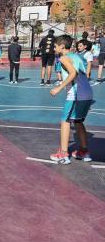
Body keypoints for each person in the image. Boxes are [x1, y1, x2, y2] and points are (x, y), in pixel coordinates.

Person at [49, 35, 93, 164]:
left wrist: (59, 87)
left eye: (55, 46)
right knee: (78, 122)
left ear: (62, 46)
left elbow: (73, 73)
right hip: (88, 93)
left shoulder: (63, 57)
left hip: (76, 94)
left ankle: (63, 154)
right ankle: (84, 151)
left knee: (65, 121)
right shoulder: (77, 56)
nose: (54, 48)